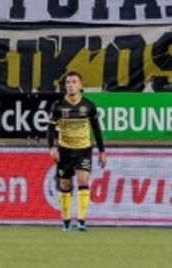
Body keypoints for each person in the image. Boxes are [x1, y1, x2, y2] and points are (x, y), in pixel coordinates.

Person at [47, 71, 107, 232]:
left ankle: (81, 220)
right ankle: (66, 221)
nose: (70, 85)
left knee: (83, 181)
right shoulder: (58, 106)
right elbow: (51, 128)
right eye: (67, 82)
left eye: (74, 82)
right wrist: (52, 147)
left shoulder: (88, 105)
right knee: (65, 185)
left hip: (83, 150)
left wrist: (102, 150)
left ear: (80, 86)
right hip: (64, 150)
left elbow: (96, 128)